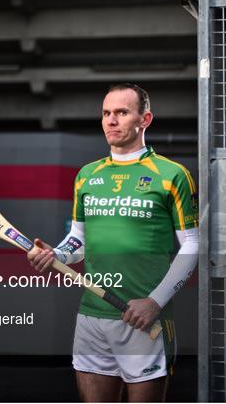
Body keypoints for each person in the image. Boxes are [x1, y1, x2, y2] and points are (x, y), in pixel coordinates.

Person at [28, 83, 199, 402]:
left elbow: (192, 245)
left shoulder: (172, 175)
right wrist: (56, 253)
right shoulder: (86, 176)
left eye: (121, 112)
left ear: (144, 119)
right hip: (91, 316)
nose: (111, 120)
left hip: (144, 318)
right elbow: (78, 239)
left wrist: (155, 302)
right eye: (106, 113)